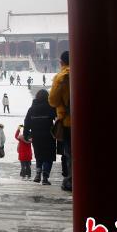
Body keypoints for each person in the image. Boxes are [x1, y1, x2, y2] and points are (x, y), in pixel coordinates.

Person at [48, 51, 71, 191]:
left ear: (61, 62)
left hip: (68, 121)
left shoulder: (61, 77)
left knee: (70, 153)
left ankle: (71, 180)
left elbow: (52, 101)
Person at [24, 89, 56, 185]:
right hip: (48, 136)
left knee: (39, 155)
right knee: (48, 157)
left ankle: (38, 174)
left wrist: (26, 134)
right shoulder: (50, 107)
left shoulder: (32, 109)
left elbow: (27, 122)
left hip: (36, 136)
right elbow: (58, 118)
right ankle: (45, 178)